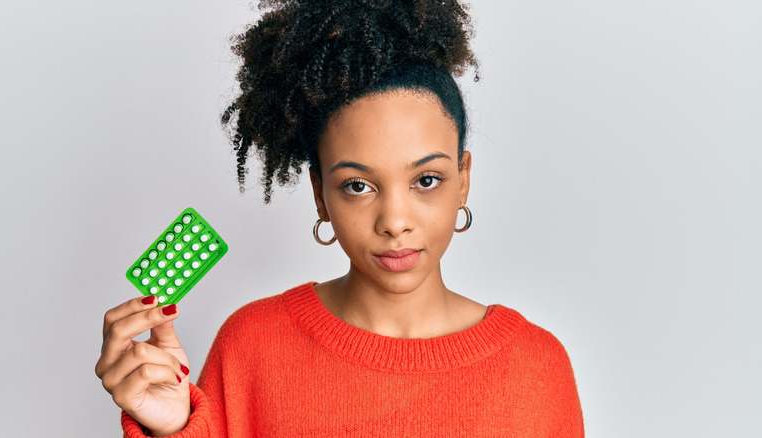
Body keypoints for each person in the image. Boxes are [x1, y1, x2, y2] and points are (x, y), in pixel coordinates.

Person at [95, 0, 584, 436]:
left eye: (427, 180)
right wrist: (172, 428)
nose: (394, 221)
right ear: (320, 195)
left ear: (464, 179)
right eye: (358, 186)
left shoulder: (535, 368)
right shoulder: (252, 347)